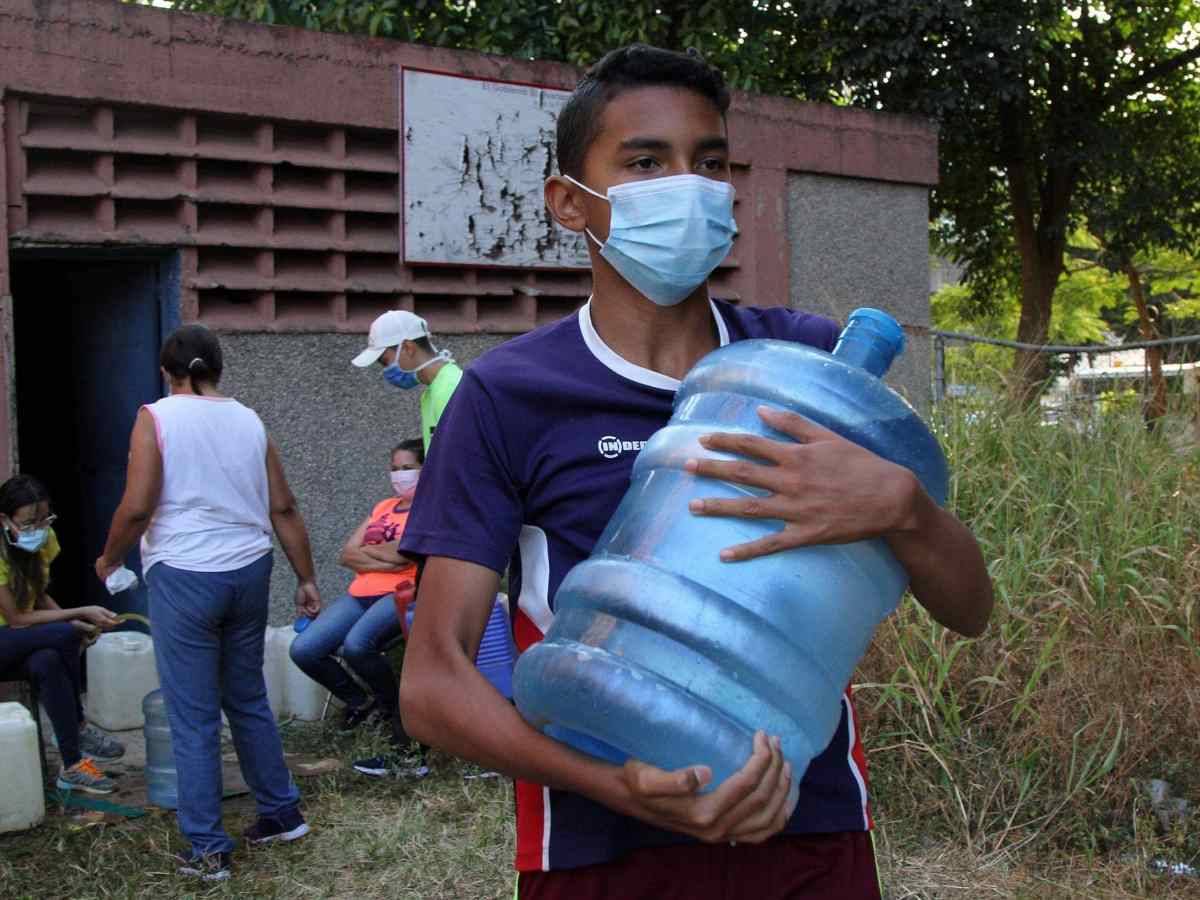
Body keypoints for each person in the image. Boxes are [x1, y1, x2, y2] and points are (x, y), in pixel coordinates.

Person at [397, 45, 995, 899]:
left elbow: (970, 608)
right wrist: (607, 782)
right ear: (571, 202)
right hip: (601, 843)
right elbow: (432, 682)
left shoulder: (809, 370)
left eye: (710, 162)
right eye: (647, 162)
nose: (691, 185)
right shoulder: (509, 397)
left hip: (806, 821)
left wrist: (906, 510)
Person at [96, 324, 321, 883]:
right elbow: (285, 507)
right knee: (245, 696)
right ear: (218, 368)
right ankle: (281, 811)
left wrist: (108, 559)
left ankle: (208, 849)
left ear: (166, 373)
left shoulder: (157, 417)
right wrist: (307, 577)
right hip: (249, 569)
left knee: (193, 716)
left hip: (186, 573)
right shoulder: (248, 419)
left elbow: (138, 507)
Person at [0, 475, 125, 794]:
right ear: (4, 519)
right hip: (8, 636)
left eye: (44, 519)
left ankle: (72, 765)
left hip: (18, 640)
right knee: (61, 636)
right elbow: (16, 618)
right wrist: (78, 615)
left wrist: (71, 626)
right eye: (28, 523)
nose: (38, 529)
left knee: (48, 661)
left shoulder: (43, 539)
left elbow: (37, 596)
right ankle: (79, 725)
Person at [288, 439, 423, 732]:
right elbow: (347, 553)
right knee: (304, 649)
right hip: (361, 593)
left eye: (408, 468)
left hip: (400, 593)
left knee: (356, 646)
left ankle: (397, 712)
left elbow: (405, 555)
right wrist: (386, 557)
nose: (399, 475)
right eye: (394, 469)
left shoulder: (428, 509)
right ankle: (361, 703)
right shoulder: (384, 507)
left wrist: (372, 553)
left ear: (425, 469)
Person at [351, 310, 463, 453]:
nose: (385, 371)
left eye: (384, 361)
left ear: (408, 348)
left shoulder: (450, 387)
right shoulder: (434, 390)